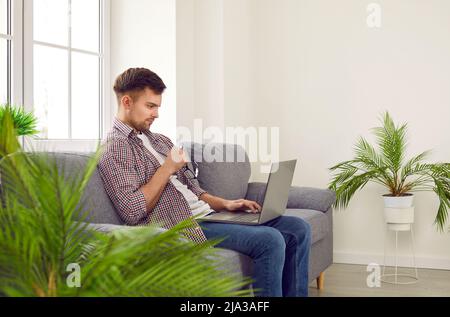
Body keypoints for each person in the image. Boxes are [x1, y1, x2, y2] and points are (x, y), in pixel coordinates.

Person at [98, 67, 311, 297]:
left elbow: (193, 189)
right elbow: (132, 210)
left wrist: (226, 204)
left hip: (209, 215)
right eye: (150, 106)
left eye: (158, 106)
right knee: (270, 241)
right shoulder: (115, 148)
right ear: (127, 102)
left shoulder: (159, 140)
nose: (156, 114)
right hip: (183, 225)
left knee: (298, 228)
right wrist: (167, 168)